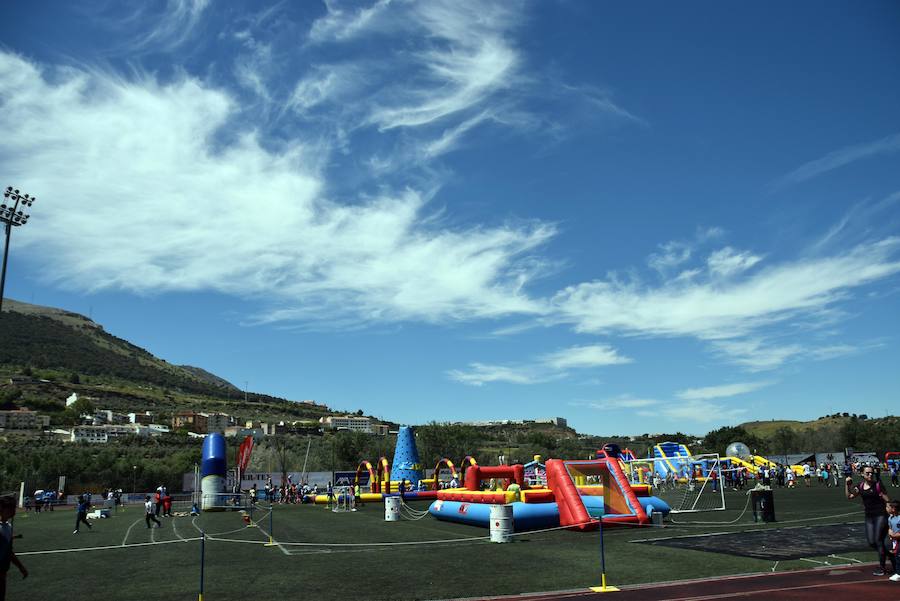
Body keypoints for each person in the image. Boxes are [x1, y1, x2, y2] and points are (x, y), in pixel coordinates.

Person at [847, 466, 893, 576]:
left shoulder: (877, 485)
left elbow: (887, 500)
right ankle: (891, 556)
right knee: (871, 542)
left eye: (871, 473)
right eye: (867, 473)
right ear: (862, 474)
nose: (870, 475)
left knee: (878, 540)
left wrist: (890, 513)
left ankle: (882, 568)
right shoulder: (860, 486)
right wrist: (847, 485)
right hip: (869, 517)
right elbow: (850, 496)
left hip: (881, 515)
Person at [1, 495, 28, 601]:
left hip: (3, 572)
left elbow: (9, 552)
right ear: (1, 508)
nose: (14, 511)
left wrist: (21, 567)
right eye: (10, 508)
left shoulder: (8, 527)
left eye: (14, 508)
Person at [887, 500, 900, 582]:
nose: (887, 508)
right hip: (895, 540)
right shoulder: (890, 518)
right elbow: (890, 528)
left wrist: (895, 535)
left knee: (898, 556)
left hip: (898, 539)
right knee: (895, 555)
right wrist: (890, 534)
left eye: (889, 507)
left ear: (894, 509)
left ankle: (899, 573)